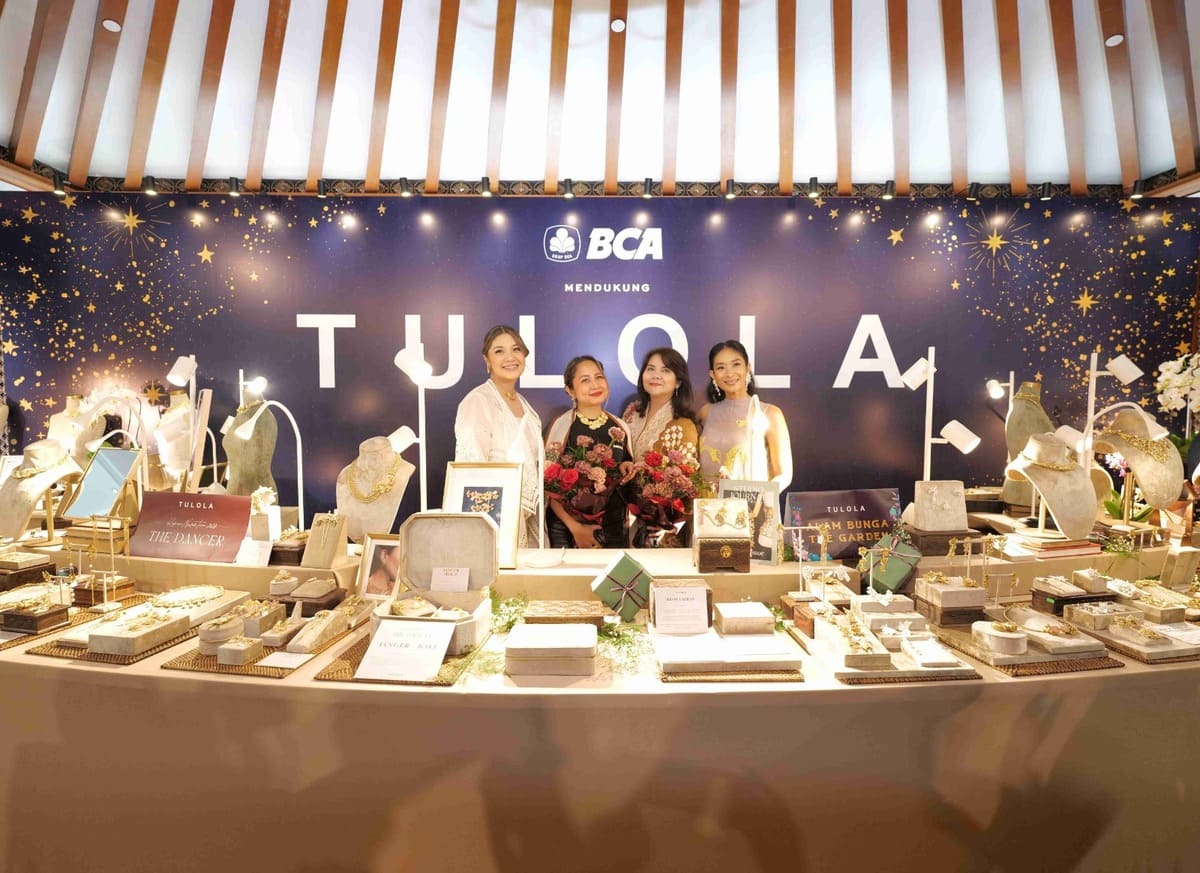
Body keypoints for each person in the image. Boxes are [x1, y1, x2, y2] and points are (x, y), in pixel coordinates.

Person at [454, 325, 544, 547]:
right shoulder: (478, 401)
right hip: (495, 520)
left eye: (516, 349)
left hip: (529, 518)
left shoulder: (524, 404)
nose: (510, 357)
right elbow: (471, 468)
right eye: (499, 351)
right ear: (487, 360)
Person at [544, 356, 633, 548]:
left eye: (599, 377)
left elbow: (625, 480)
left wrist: (627, 467)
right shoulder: (560, 427)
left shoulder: (620, 427)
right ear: (570, 390)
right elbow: (548, 487)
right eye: (585, 380)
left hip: (612, 529)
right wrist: (576, 528)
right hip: (567, 531)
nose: (595, 385)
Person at [697, 339, 793, 495]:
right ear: (712, 374)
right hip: (707, 507)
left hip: (750, 506)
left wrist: (760, 498)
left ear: (748, 367)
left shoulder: (769, 413)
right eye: (721, 367)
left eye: (736, 364)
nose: (729, 373)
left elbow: (784, 474)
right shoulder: (705, 413)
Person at [622, 347, 700, 462]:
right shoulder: (632, 412)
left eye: (665, 370)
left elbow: (686, 471)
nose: (656, 376)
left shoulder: (684, 426)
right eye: (650, 369)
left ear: (678, 382)